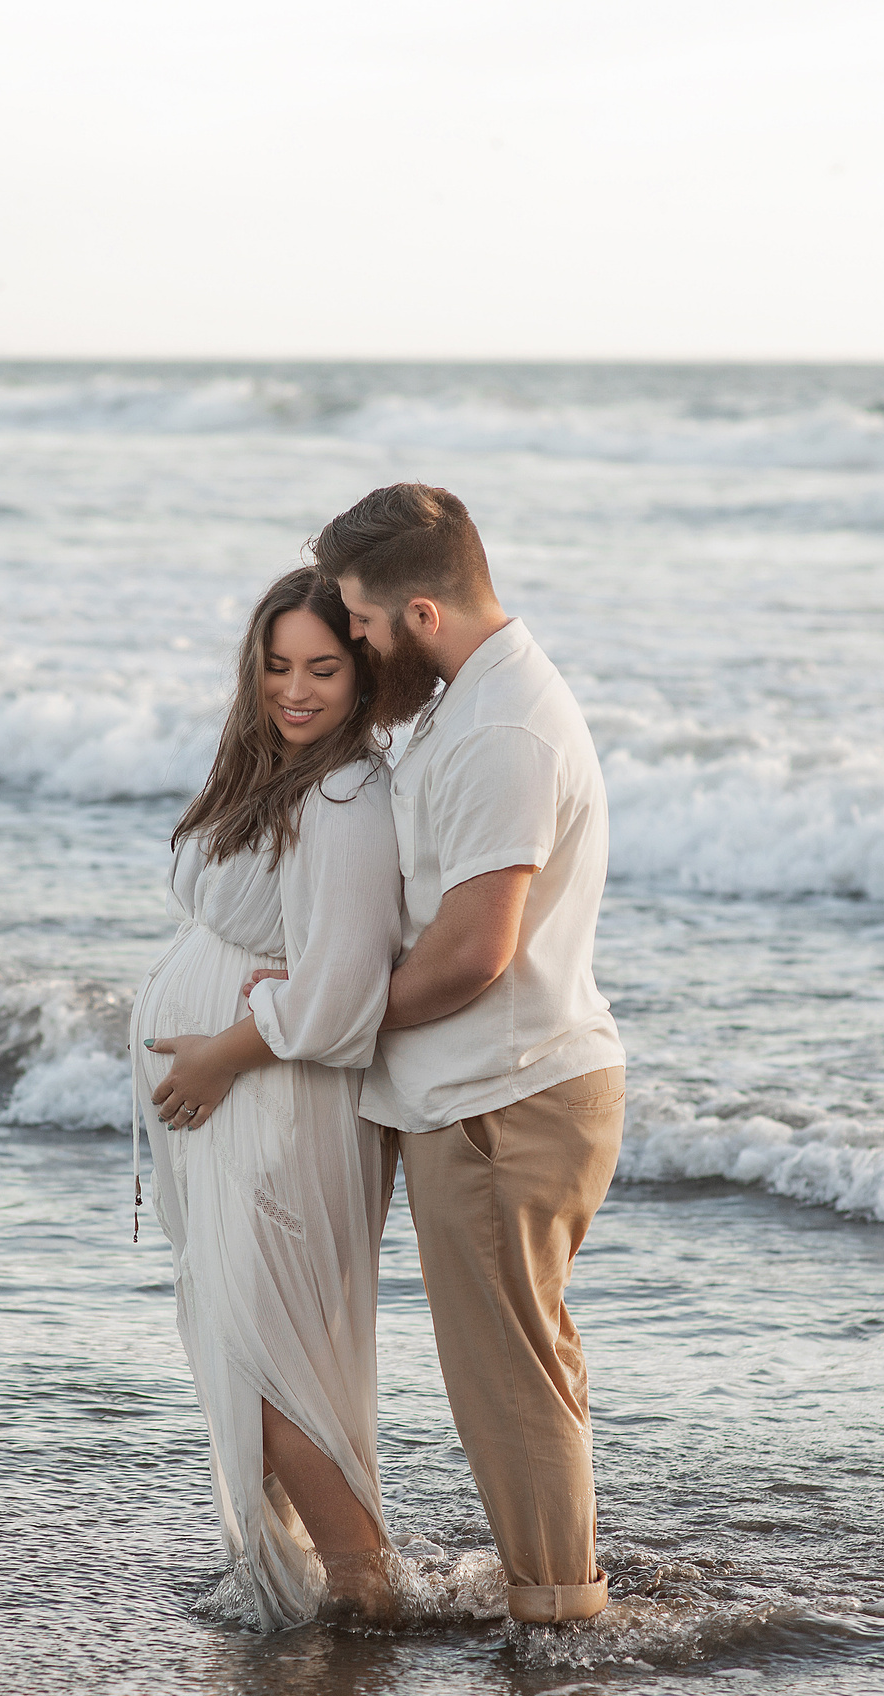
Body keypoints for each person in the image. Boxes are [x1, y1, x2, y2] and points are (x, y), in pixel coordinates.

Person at [275, 482, 626, 1625]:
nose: (360, 645)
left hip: (502, 1101)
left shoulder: (501, 728)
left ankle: (557, 1629)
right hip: (504, 1091)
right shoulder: (475, 702)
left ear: (421, 612)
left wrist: (330, 1017)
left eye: (367, 625)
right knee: (528, 1370)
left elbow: (475, 950)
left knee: (507, 1390)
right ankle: (560, 1603)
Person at [132, 567, 410, 1630]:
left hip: (280, 1102)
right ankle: (336, 1593)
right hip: (240, 1101)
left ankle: (364, 1597)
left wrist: (221, 1057)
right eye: (278, 665)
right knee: (240, 1348)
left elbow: (341, 995)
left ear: (364, 673)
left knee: (262, 1363)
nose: (296, 690)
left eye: (324, 669)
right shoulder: (281, 773)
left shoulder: (346, 797)